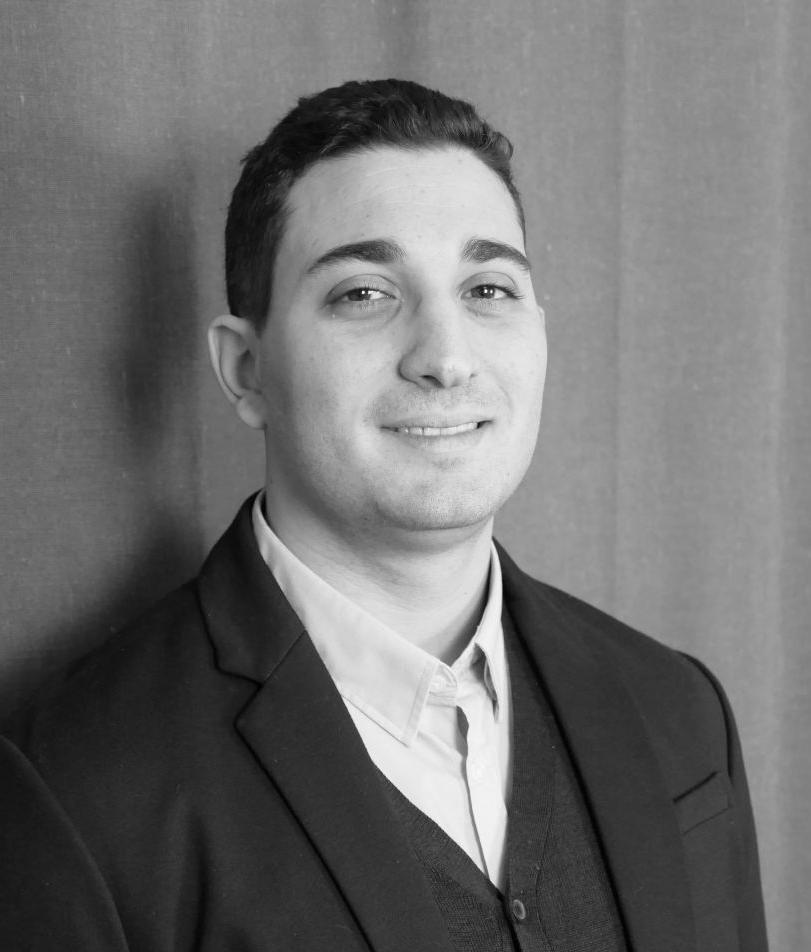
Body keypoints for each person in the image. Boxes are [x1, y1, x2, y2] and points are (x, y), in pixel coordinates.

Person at [0, 79, 767, 952]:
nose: (446, 356)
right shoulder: (78, 788)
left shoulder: (677, 710)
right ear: (246, 370)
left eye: (488, 289)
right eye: (364, 294)